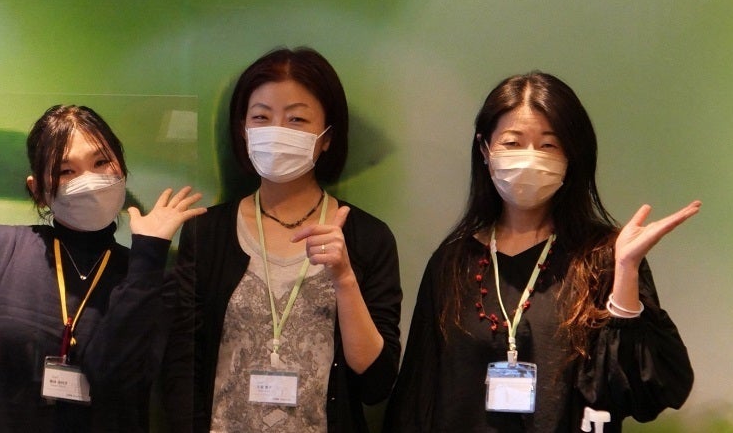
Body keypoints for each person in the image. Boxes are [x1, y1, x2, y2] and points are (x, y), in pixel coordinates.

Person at [383, 71, 698, 432]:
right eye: (512, 142)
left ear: (571, 155)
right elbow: (417, 396)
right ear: (485, 149)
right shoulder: (452, 262)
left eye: (548, 145)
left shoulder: (604, 257)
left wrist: (625, 269)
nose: (529, 158)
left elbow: (646, 393)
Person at [163, 46, 402, 433]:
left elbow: (376, 384)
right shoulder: (206, 233)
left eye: (296, 119)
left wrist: (344, 278)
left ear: (327, 137)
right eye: (261, 117)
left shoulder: (367, 238)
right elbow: (181, 367)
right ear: (243, 130)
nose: (276, 132)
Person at [0, 104, 205, 432]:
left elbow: (117, 380)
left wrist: (149, 255)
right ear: (37, 190)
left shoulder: (148, 277)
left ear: (122, 169)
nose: (89, 181)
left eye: (101, 162)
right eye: (66, 171)